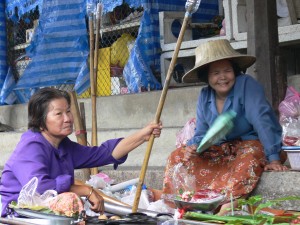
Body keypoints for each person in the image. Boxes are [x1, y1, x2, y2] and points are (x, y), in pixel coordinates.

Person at [161, 39, 288, 214]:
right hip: (221, 150)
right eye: (215, 73)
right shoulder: (205, 95)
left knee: (249, 156)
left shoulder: (246, 85)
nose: (222, 77)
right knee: (177, 156)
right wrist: (193, 146)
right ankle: (186, 204)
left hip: (250, 145)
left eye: (227, 71)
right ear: (207, 76)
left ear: (235, 72)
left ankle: (227, 206)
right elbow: (202, 132)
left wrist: (273, 157)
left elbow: (262, 120)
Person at [0, 87, 162, 217]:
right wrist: (87, 190)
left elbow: (104, 154)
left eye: (68, 111)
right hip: (17, 214)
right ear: (40, 121)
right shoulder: (31, 147)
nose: (68, 118)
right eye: (59, 114)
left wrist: (143, 135)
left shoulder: (63, 145)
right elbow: (39, 188)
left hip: (47, 214)